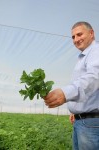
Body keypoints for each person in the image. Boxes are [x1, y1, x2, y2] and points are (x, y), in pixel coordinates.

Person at [44, 21, 99, 150]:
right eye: (73, 37)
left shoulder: (96, 51)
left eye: (79, 34)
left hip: (91, 124)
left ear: (91, 33)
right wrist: (76, 110)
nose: (76, 39)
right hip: (83, 121)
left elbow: (93, 78)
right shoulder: (84, 56)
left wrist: (65, 93)